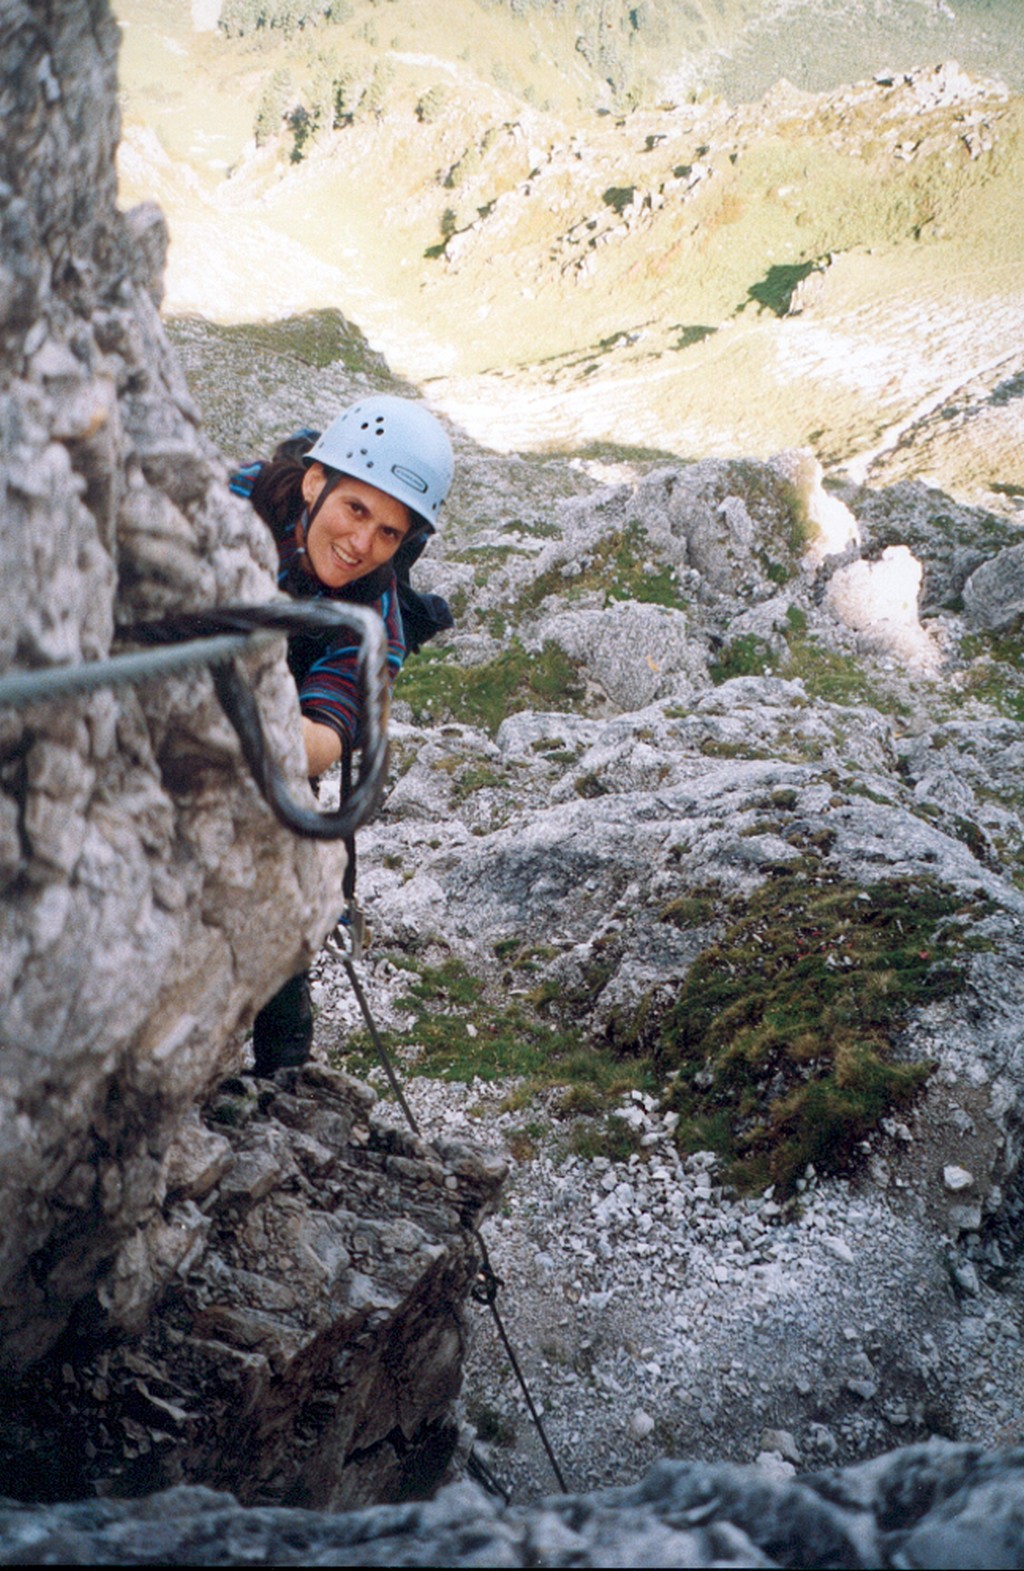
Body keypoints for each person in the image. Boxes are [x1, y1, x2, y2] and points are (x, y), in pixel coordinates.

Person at [230, 393, 455, 1074]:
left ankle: (284, 1073)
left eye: (389, 533)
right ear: (313, 482)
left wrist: (222, 726)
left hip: (270, 744)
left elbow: (326, 735)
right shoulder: (231, 502)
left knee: (285, 898)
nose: (363, 544)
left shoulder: (373, 614)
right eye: (357, 509)